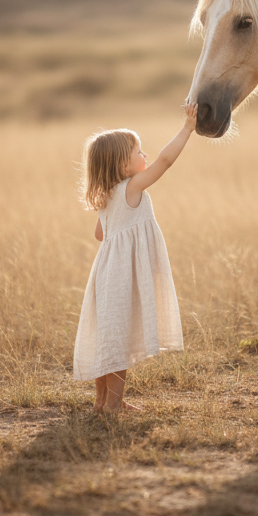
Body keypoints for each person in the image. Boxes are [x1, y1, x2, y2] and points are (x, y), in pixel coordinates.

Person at [74, 103, 198, 412]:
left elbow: (100, 235)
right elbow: (165, 161)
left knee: (109, 336)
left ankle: (102, 401)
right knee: (120, 342)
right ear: (123, 166)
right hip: (121, 276)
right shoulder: (132, 187)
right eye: (138, 152)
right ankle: (113, 405)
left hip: (104, 273)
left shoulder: (107, 196)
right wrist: (187, 128)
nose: (145, 156)